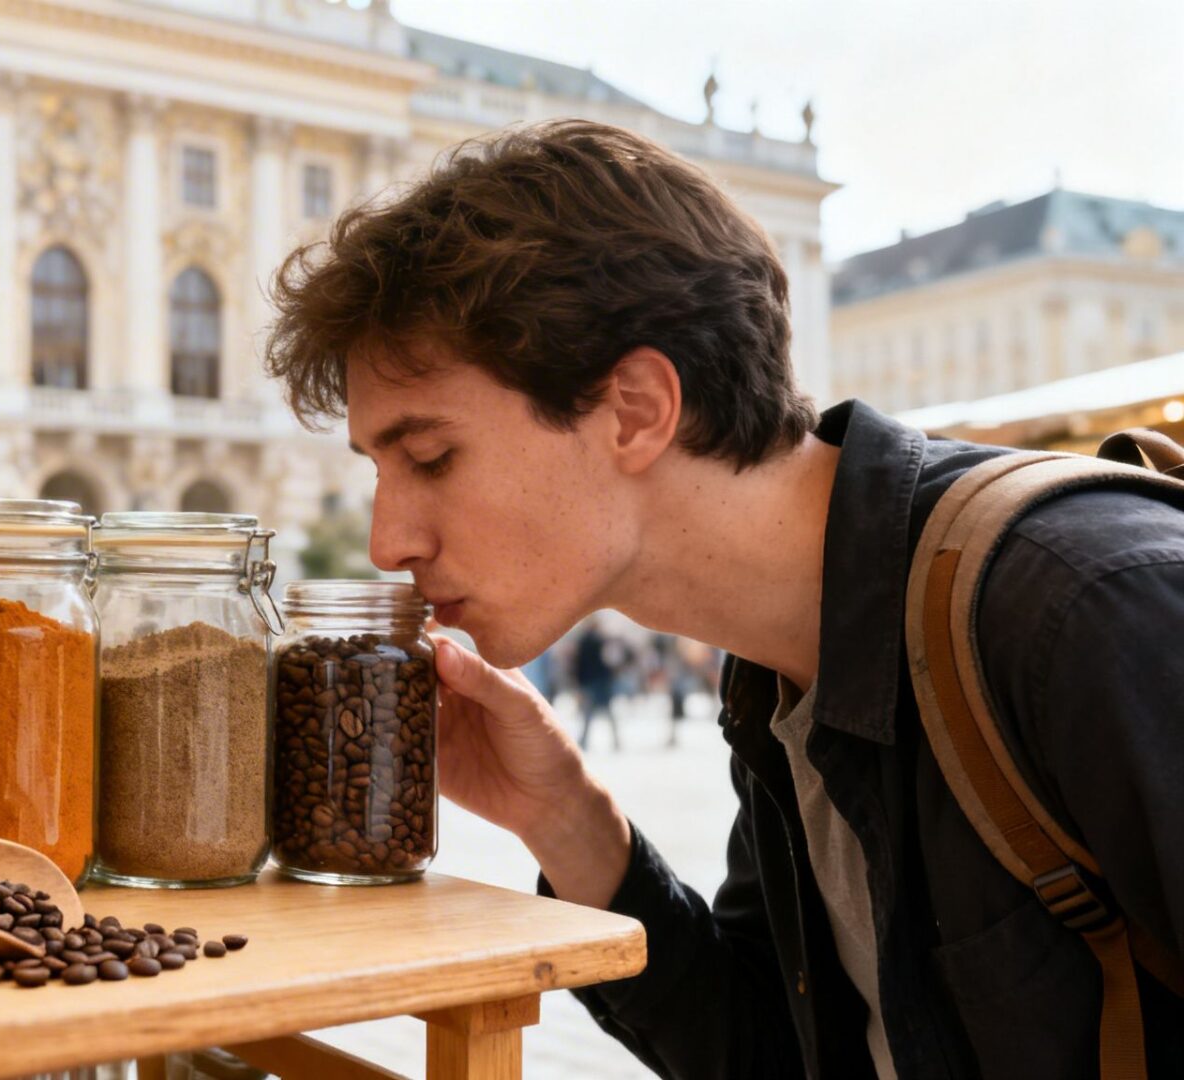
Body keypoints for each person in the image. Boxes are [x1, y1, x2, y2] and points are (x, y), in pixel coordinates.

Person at [261, 119, 1184, 1078]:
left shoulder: (1087, 611)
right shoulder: (786, 663)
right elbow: (768, 1054)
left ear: (637, 410)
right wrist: (568, 819)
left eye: (430, 458)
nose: (387, 540)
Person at [572, 623, 621, 752]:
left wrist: (578, 684)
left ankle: (584, 741)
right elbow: (610, 662)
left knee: (589, 714)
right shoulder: (602, 641)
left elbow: (578, 665)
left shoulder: (583, 641)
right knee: (607, 712)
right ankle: (616, 740)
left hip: (589, 681)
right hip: (601, 681)